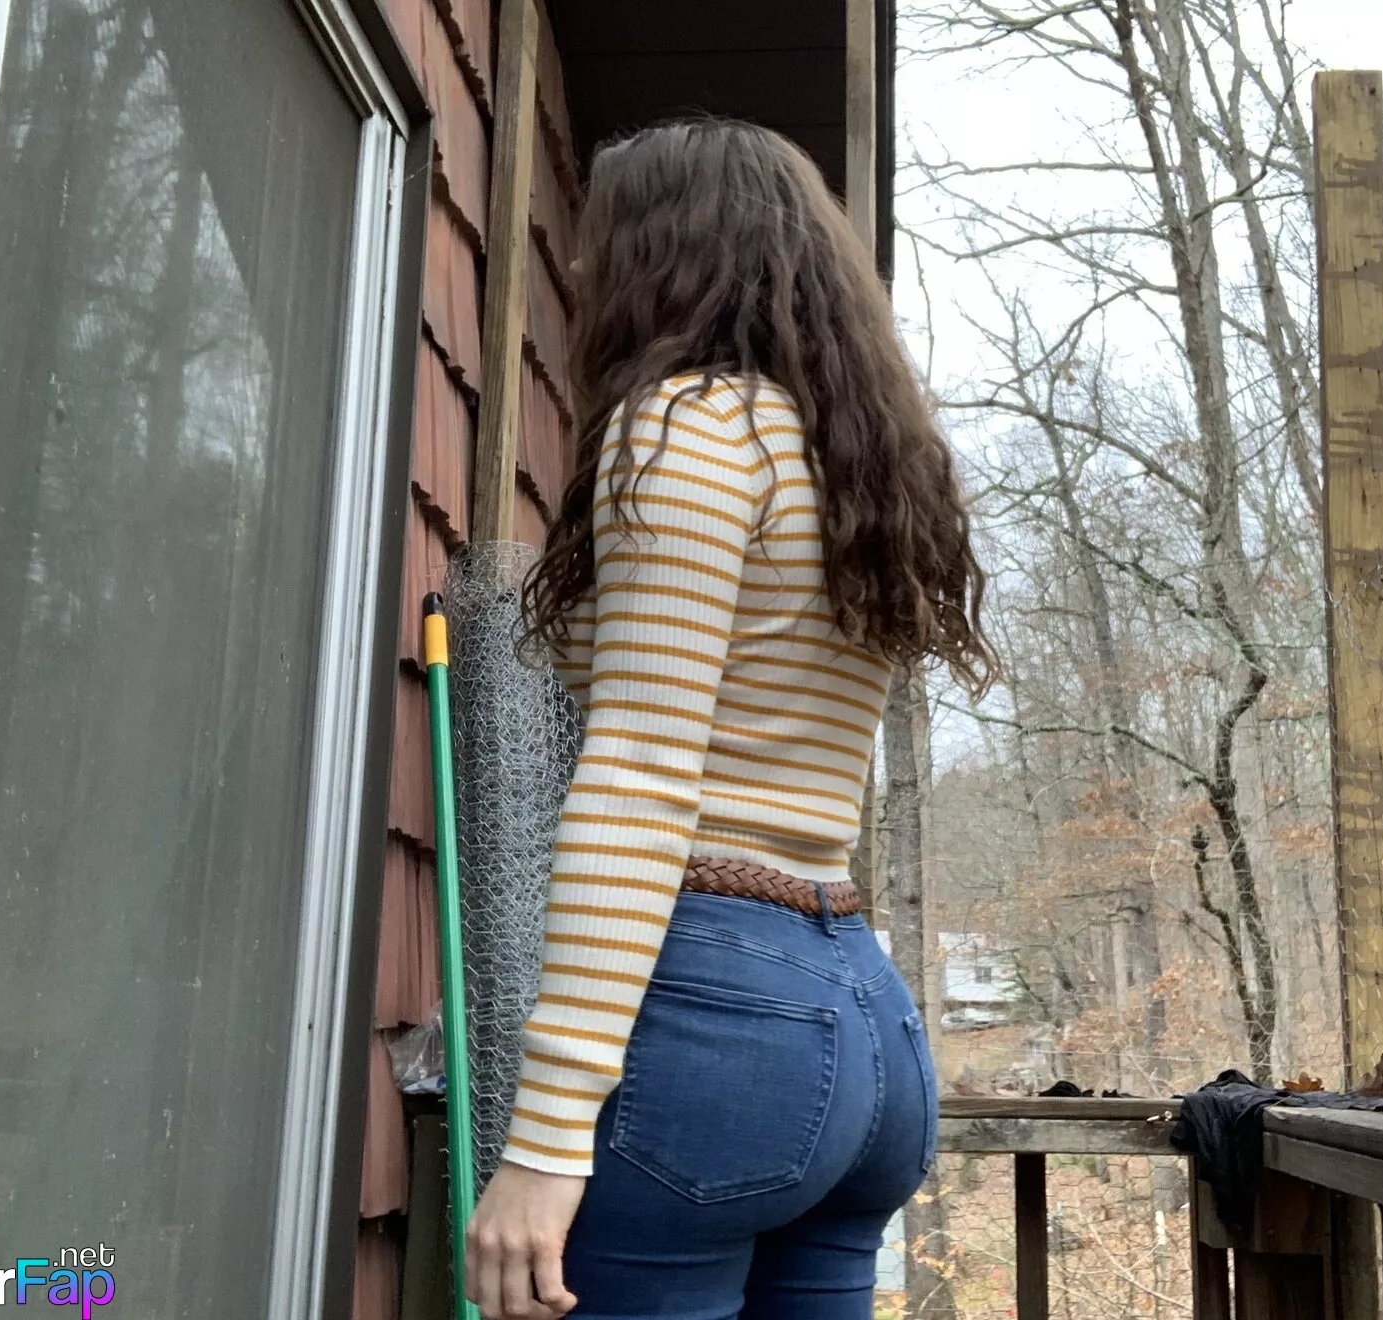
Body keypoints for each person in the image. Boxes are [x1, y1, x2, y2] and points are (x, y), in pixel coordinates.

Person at [466, 117, 996, 1320]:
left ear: (668, 252)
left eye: (603, 240)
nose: (583, 269)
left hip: (718, 1017)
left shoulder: (690, 430)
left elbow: (642, 770)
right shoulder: (847, 459)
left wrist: (546, 1140)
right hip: (860, 1015)